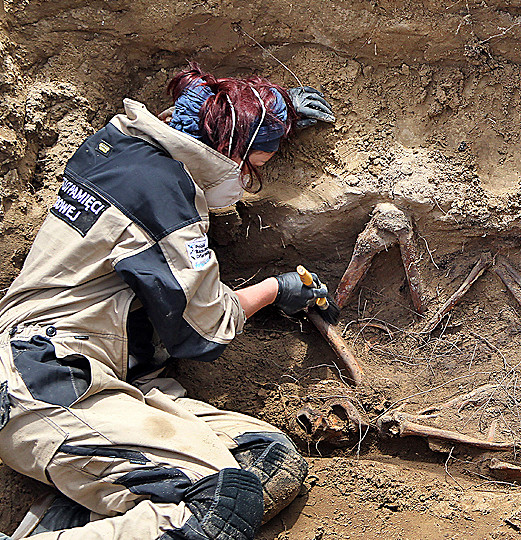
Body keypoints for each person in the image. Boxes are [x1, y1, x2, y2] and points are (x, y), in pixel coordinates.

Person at [0, 63, 340, 539]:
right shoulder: (166, 196)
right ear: (228, 148)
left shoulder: (122, 147)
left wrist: (274, 111)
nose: (249, 181)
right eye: (255, 166)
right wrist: (277, 290)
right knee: (222, 506)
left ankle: (71, 519)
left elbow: (196, 111)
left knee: (267, 457)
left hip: (113, 374)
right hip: (48, 379)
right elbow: (204, 331)